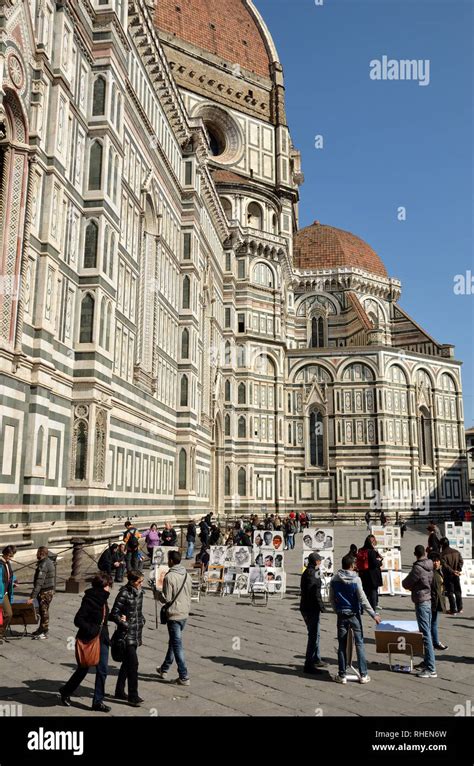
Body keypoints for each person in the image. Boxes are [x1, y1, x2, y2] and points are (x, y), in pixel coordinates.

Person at [59, 573, 113, 712]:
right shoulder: (90, 599)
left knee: (103, 670)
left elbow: (105, 617)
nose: (110, 588)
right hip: (89, 638)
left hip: (103, 638)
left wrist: (118, 618)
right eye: (108, 585)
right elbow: (78, 620)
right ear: (104, 586)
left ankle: (98, 701)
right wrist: (92, 629)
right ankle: (66, 691)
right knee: (83, 669)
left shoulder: (103, 599)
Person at [330, 554, 381, 684]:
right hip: (354, 614)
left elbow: (331, 599)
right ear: (352, 565)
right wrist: (373, 614)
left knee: (342, 645)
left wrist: (337, 611)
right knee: (359, 644)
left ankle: (342, 675)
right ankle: (363, 674)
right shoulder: (356, 580)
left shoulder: (335, 579)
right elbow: (363, 599)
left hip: (341, 614)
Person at [110, 569, 145, 706]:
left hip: (136, 631)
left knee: (127, 663)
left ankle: (119, 690)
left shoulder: (140, 593)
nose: (141, 584)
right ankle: (133, 695)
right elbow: (114, 614)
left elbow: (138, 611)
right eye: (139, 582)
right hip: (125, 634)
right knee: (133, 664)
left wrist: (142, 620)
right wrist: (123, 622)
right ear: (132, 582)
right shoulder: (124, 593)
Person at [157, 550, 192, 685]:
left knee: (177, 645)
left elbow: (167, 598)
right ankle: (164, 668)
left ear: (171, 561)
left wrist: (157, 593)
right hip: (184, 613)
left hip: (174, 614)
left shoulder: (169, 577)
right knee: (174, 641)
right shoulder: (186, 575)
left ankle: (184, 676)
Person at [402, 545, 436, 678]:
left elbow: (406, 583)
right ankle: (428, 661)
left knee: (425, 634)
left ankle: (431, 668)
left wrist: (413, 586)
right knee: (427, 632)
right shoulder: (430, 564)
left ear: (415, 553)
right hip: (428, 599)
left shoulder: (418, 567)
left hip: (421, 601)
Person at [299, 552, 328, 674]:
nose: (320, 562)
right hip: (311, 607)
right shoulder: (312, 573)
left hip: (306, 606)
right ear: (316, 561)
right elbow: (314, 591)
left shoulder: (308, 571)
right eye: (319, 560)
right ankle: (309, 664)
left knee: (316, 633)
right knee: (313, 635)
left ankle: (316, 658)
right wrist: (321, 606)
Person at [27, 547, 55, 640]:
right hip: (48, 590)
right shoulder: (47, 562)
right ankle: (41, 629)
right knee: (44, 610)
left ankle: (44, 631)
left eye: (37, 553)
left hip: (45, 591)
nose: (36, 554)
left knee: (44, 611)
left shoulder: (44, 565)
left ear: (41, 553)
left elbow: (39, 582)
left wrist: (32, 596)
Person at [427, 553, 448, 652]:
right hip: (432, 601)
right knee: (432, 623)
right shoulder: (430, 572)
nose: (436, 563)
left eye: (437, 560)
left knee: (433, 622)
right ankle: (434, 642)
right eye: (433, 561)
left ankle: (433, 642)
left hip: (437, 600)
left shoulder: (440, 570)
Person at [356, 535, 383, 611]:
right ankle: (373, 608)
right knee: (373, 591)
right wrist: (380, 563)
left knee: (364, 591)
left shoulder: (361, 550)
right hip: (372, 574)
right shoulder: (371, 551)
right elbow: (375, 563)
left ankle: (361, 608)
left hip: (363, 574)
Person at [439, 537, 463, 615]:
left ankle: (453, 609)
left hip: (448, 575)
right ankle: (460, 608)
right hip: (456, 574)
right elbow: (461, 561)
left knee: (450, 592)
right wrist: (458, 570)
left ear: (442, 545)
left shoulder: (442, 554)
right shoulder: (456, 552)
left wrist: (453, 571)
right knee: (458, 591)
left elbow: (445, 566)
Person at [0, 546, 16, 643]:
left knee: (8, 614)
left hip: (4, 593)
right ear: (5, 553)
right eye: (10, 555)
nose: (11, 558)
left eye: (12, 556)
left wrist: (14, 581)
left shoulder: (7, 563)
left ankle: (1, 633)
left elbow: (10, 575)